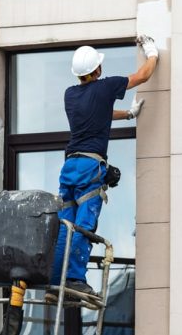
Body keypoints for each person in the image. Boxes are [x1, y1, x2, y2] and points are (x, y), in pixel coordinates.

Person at [47, 36, 159, 300]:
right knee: (85, 223)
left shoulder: (70, 95)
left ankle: (56, 282)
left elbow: (100, 112)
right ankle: (74, 279)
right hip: (89, 166)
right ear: (96, 70)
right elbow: (143, 76)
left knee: (66, 224)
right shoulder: (107, 87)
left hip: (70, 166)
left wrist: (128, 115)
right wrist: (152, 53)